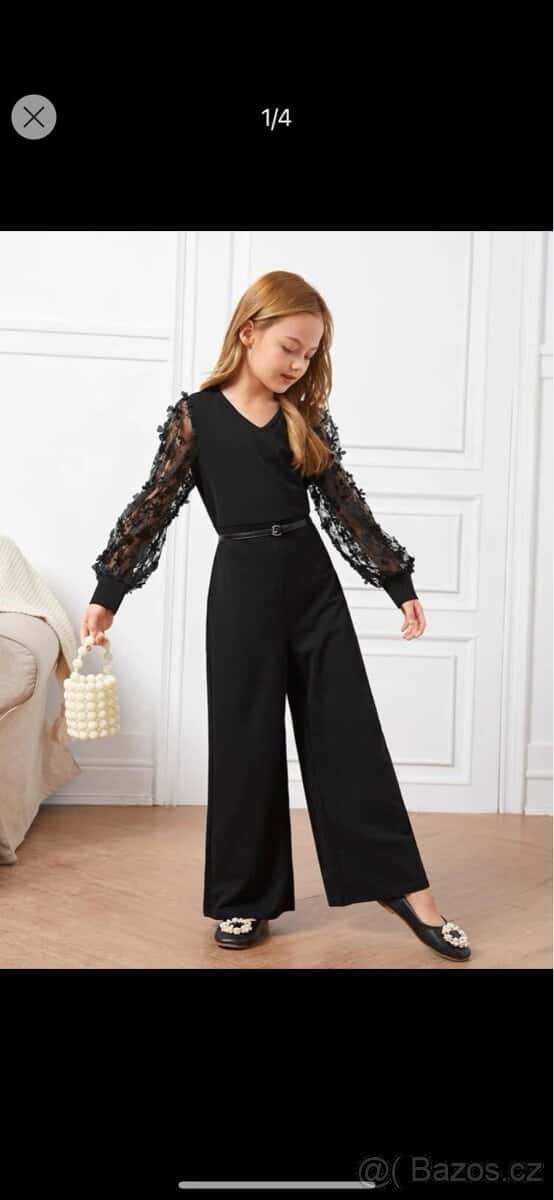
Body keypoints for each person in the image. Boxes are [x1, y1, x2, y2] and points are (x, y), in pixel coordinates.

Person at [81, 270, 471, 962]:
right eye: (290, 347)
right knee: (245, 744)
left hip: (312, 586)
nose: (298, 364)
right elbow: (154, 505)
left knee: (348, 733)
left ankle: (406, 889)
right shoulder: (196, 418)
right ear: (248, 332)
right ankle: (243, 899)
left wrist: (395, 579)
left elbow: (344, 503)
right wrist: (109, 591)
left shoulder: (304, 419)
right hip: (241, 590)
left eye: (310, 354)